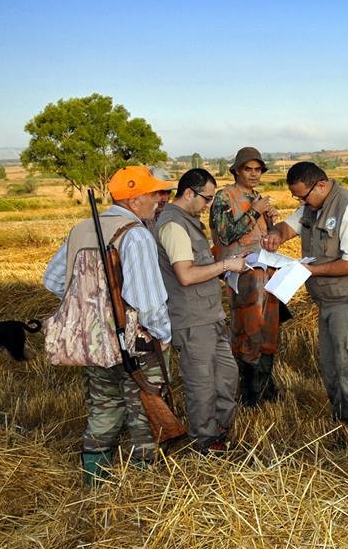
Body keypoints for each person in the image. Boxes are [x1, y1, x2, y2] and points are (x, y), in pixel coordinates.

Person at [43, 166, 175, 484]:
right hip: (137, 343)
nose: (159, 200)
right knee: (145, 410)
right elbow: (147, 302)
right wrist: (163, 337)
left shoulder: (82, 229)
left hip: (93, 342)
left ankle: (95, 482)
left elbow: (53, 280)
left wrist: (91, 304)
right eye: (154, 194)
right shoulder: (136, 234)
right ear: (134, 198)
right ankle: (144, 488)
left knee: (103, 407)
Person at [262, 162, 348, 431]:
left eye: (303, 196)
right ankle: (344, 423)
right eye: (297, 198)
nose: (301, 202)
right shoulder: (311, 205)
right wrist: (275, 235)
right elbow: (288, 227)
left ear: (320, 184)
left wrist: (309, 270)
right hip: (329, 302)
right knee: (332, 369)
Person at [155, 168, 245, 453]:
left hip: (210, 316)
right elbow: (185, 275)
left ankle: (219, 432)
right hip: (192, 320)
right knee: (202, 384)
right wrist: (226, 266)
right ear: (189, 193)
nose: (209, 206)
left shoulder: (188, 222)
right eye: (206, 199)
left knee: (226, 376)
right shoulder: (174, 225)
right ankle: (205, 443)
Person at [209, 147, 281, 407]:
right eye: (248, 169)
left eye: (257, 169)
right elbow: (226, 235)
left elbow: (263, 239)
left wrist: (272, 223)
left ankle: (265, 389)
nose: (253, 174)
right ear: (237, 171)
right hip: (242, 277)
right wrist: (254, 210)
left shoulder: (258, 197)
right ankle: (249, 395)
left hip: (266, 275)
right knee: (247, 332)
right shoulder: (224, 197)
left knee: (269, 331)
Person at [143, 166, 173, 236]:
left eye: (168, 192)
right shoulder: (137, 220)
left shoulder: (166, 218)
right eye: (161, 192)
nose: (165, 199)